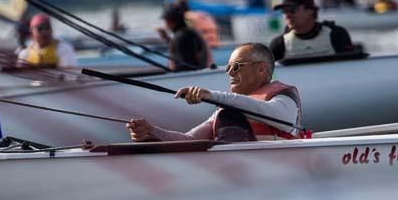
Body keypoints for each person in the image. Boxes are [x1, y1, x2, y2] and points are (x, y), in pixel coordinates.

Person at [126, 43, 304, 142]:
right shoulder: (226, 107)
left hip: (271, 171)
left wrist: (212, 96)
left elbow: (282, 119)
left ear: (260, 68)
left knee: (229, 116)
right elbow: (191, 139)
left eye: (236, 66)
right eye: (228, 67)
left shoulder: (284, 96)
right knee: (227, 115)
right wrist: (153, 132)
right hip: (239, 171)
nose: (229, 72)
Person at [268, 0, 353, 61]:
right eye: (284, 11)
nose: (287, 16)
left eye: (292, 10)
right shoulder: (279, 45)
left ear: (310, 10)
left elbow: (351, 69)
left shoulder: (336, 35)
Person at [156, 3, 211, 71]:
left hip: (188, 78)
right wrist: (166, 38)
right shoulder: (189, 33)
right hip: (198, 73)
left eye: (166, 21)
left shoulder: (181, 37)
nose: (165, 25)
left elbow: (184, 65)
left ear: (171, 21)